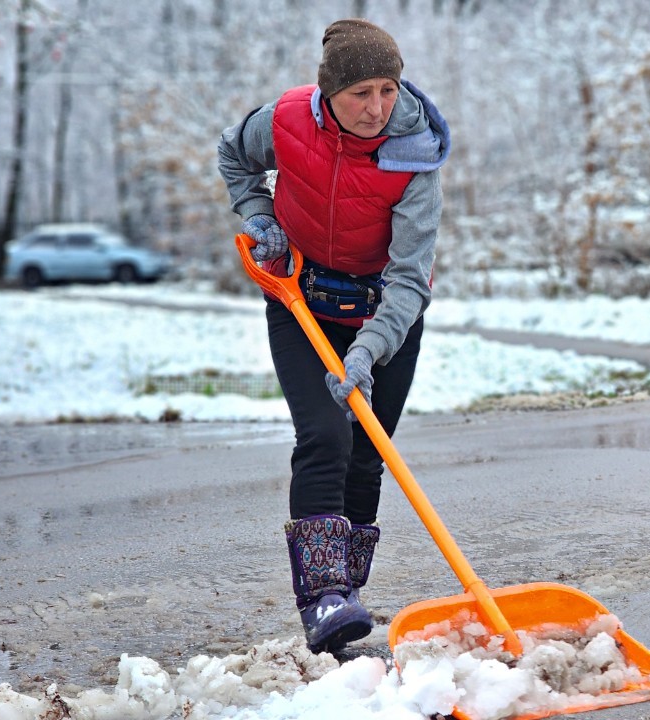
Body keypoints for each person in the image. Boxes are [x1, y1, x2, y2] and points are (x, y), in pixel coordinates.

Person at [217, 18, 450, 653]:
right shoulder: (287, 119)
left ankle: (346, 591)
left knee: (367, 446)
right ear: (329, 95)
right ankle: (324, 598)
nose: (378, 107)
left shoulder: (416, 154)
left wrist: (368, 353)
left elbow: (410, 279)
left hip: (387, 308)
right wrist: (260, 215)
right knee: (324, 434)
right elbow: (232, 153)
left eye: (388, 89)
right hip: (302, 297)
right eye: (361, 93)